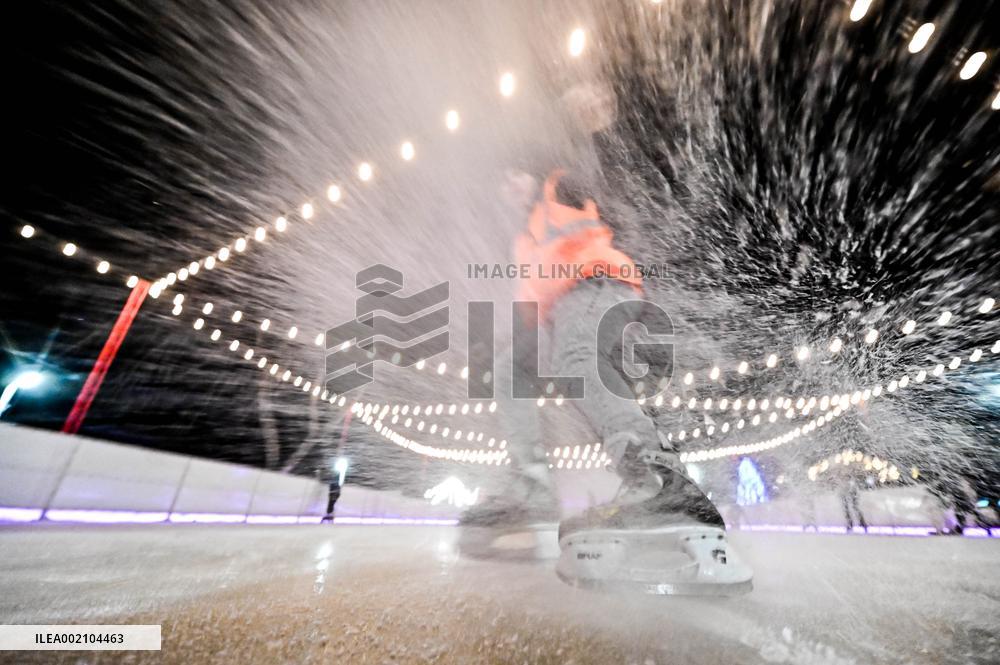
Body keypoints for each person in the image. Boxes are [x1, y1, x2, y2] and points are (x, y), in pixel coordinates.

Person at [458, 169, 752, 595]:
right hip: (559, 311)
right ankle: (531, 490)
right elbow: (532, 301)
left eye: (515, 176)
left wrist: (556, 159)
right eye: (503, 184)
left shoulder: (560, 188)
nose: (510, 187)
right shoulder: (524, 240)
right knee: (510, 371)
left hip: (597, 283)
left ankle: (657, 478)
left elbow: (588, 176)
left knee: (575, 360)